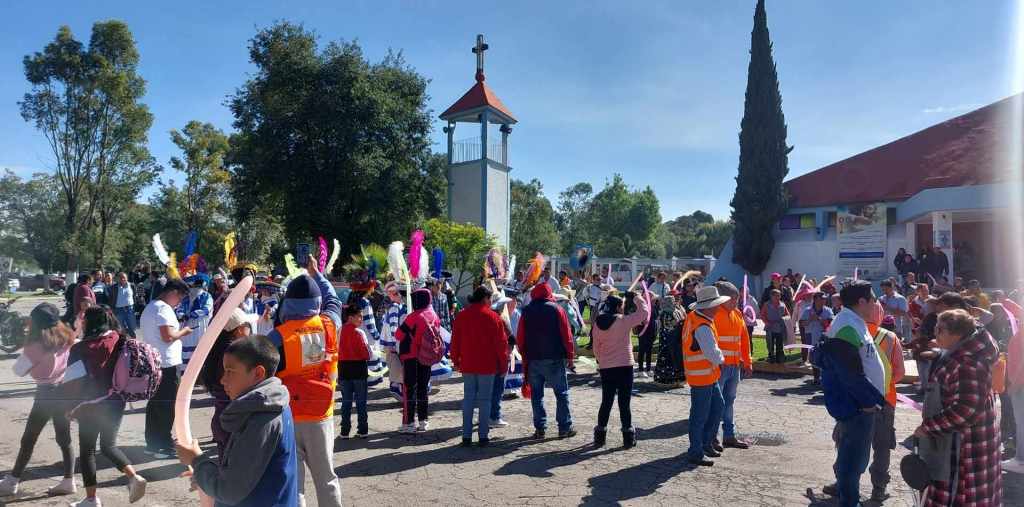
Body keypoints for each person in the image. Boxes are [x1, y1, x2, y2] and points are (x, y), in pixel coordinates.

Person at [177, 335, 299, 507]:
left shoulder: (260, 419)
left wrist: (197, 460)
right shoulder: (273, 404)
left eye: (230, 371)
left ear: (258, 373)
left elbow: (229, 490)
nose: (222, 379)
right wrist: (208, 475)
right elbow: (248, 471)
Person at [266, 256, 342, 507]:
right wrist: (317, 273)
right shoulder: (329, 325)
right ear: (316, 302)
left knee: (294, 483)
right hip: (322, 413)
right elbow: (333, 300)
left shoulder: (276, 336)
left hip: (287, 415)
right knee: (327, 478)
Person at [914, 309, 1002, 506]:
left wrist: (927, 428)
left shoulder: (966, 363)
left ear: (958, 334)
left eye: (940, 330)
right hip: (957, 444)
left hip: (964, 449)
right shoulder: (962, 352)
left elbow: (966, 411)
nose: (935, 333)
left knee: (962, 498)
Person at [63, 306, 148, 506]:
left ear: (89, 323)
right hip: (116, 401)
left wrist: (68, 407)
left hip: (89, 406)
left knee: (88, 451)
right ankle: (134, 477)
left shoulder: (80, 348)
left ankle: (91, 499)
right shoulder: (120, 339)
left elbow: (72, 383)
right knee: (109, 445)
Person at [813, 280, 886, 507]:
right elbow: (849, 374)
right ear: (862, 301)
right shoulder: (847, 326)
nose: (876, 303)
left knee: (854, 460)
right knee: (852, 462)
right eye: (874, 299)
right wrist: (866, 402)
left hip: (862, 405)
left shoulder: (854, 322)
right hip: (858, 408)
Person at [0, 303, 77, 497]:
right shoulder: (67, 336)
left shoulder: (36, 345)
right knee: (64, 438)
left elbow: (18, 370)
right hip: (64, 390)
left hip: (45, 393)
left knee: (29, 439)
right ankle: (69, 480)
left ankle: (12, 481)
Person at [140, 278, 192, 458]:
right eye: (180, 298)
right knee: (167, 404)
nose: (179, 302)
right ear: (173, 293)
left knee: (156, 404)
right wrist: (184, 332)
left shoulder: (151, 306)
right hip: (167, 364)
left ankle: (153, 443)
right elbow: (167, 336)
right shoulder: (163, 308)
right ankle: (163, 444)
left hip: (155, 362)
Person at [450, 285, 508, 447]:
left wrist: (455, 360)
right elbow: (501, 345)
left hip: (468, 364)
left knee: (468, 399)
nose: (491, 302)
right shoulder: (494, 317)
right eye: (490, 299)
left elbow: (455, 341)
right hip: (487, 366)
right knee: (485, 400)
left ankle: (466, 436)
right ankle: (483, 436)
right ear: (485, 299)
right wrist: (503, 365)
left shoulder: (462, 316)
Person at [517, 282, 577, 439]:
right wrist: (570, 356)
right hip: (554, 358)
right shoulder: (557, 309)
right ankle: (564, 427)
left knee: (537, 395)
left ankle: (540, 429)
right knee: (561, 393)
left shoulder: (526, 311)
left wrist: (524, 357)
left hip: (533, 359)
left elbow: (521, 337)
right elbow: (567, 335)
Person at [590, 291, 648, 448]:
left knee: (606, 401)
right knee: (624, 402)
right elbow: (644, 313)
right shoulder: (623, 321)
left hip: (606, 367)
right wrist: (636, 297)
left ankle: (600, 436)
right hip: (624, 366)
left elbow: (596, 348)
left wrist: (601, 361)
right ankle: (628, 436)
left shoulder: (597, 323)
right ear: (617, 307)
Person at [682, 286, 730, 466]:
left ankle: (705, 444)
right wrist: (723, 359)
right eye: (716, 305)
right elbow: (712, 353)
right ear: (709, 306)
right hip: (703, 376)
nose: (718, 308)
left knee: (717, 407)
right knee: (700, 415)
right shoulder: (702, 325)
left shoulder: (696, 318)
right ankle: (696, 451)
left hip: (704, 375)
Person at [201, 308, 253, 458]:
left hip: (222, 416)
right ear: (238, 330)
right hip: (230, 420)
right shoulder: (234, 351)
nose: (250, 329)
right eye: (247, 325)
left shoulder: (219, 347)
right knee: (230, 457)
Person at [710, 281, 753, 449]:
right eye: (732, 299)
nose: (736, 302)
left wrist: (747, 362)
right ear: (721, 299)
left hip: (734, 367)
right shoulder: (713, 315)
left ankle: (728, 436)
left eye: (737, 298)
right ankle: (713, 437)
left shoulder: (737, 314)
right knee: (717, 403)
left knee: (729, 402)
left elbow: (744, 340)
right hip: (720, 367)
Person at [396, 288, 441, 434]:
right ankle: (423, 421)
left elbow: (398, 334)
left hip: (411, 357)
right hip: (426, 357)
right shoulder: (434, 315)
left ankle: (409, 423)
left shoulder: (414, 317)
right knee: (423, 389)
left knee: (410, 389)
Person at [337, 305, 371, 439]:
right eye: (359, 316)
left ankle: (344, 431)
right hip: (359, 369)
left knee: (346, 401)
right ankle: (363, 430)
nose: (361, 319)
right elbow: (367, 354)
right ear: (350, 317)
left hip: (344, 369)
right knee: (361, 401)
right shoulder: (359, 332)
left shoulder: (339, 330)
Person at [490, 289, 518, 426]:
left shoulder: (486, 318)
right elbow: (511, 338)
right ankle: (494, 416)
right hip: (500, 359)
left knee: (486, 390)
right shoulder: (501, 320)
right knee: (497, 389)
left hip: (487, 360)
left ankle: (486, 414)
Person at [1004, 308, 1024, 474]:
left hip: (1021, 386)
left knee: (1021, 423)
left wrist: (1015, 384)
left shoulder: (1021, 335)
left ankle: (1021, 460)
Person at [380, 282, 407, 400]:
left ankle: (398, 390)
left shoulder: (395, 307)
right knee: (396, 369)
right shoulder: (395, 307)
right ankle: (398, 391)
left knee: (397, 369)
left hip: (392, 344)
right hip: (392, 344)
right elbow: (393, 328)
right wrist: (396, 344)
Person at [800, 292, 834, 382]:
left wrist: (819, 319)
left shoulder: (828, 310)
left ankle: (825, 378)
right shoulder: (807, 310)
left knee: (824, 357)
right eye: (822, 299)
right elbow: (802, 324)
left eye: (824, 299)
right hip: (811, 336)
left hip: (824, 337)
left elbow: (830, 324)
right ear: (815, 299)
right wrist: (810, 319)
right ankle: (816, 378)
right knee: (813, 357)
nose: (824, 300)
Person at [180, 274, 214, 366]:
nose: (192, 288)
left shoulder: (207, 296)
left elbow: (206, 309)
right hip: (186, 329)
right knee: (186, 356)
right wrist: (181, 315)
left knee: (199, 354)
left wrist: (191, 314)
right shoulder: (186, 298)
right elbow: (179, 309)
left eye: (194, 285)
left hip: (200, 328)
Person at [760, 289, 789, 364]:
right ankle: (771, 357)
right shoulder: (766, 304)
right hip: (770, 328)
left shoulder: (783, 304)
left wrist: (785, 320)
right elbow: (762, 315)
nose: (777, 297)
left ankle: (780, 357)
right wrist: (767, 322)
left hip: (780, 328)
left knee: (780, 344)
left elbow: (787, 314)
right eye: (775, 295)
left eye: (779, 295)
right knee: (770, 344)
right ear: (771, 296)